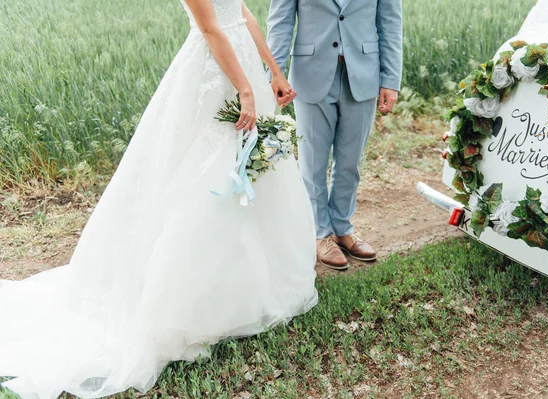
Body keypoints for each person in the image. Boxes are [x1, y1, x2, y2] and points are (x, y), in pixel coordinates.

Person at [0, 1, 318, 398]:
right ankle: (190, 308)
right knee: (206, 182)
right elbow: (211, 30)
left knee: (254, 170)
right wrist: (244, 89)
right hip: (215, 72)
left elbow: (243, 13)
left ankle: (254, 292)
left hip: (247, 66)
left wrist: (273, 70)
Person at [267, 0, 403, 270]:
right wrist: (276, 73)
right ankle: (321, 233)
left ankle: (343, 228)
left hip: (363, 74)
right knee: (313, 162)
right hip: (310, 74)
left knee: (350, 162)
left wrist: (390, 79)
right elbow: (280, 22)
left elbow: (390, 23)